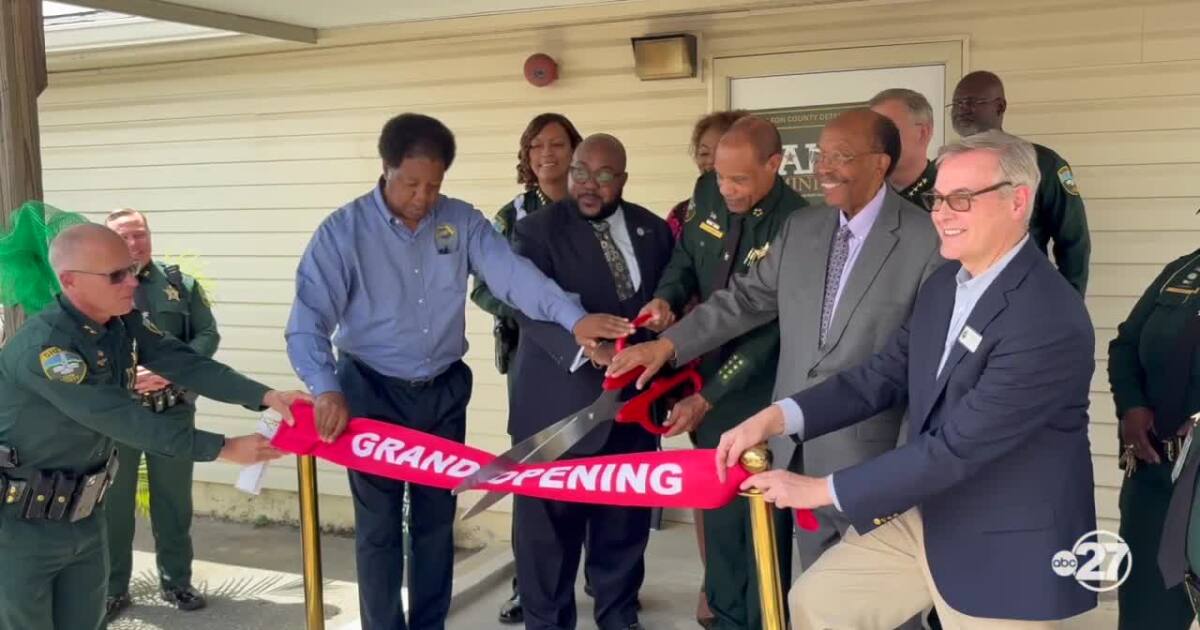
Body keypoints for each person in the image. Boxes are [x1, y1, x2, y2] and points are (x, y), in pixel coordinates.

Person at [715, 130, 1097, 629]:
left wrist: (819, 489)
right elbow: (880, 376)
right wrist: (775, 417)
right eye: (938, 197)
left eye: (961, 199)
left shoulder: (1047, 315)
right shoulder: (946, 284)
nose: (941, 212)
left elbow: (957, 448)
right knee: (820, 604)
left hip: (1008, 540)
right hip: (930, 514)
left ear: (1018, 201)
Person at [284, 113, 632, 630]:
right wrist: (325, 387)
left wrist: (574, 318)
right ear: (386, 169)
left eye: (434, 185)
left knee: (434, 523)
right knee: (379, 528)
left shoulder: (461, 222)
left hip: (442, 393)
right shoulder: (343, 232)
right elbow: (307, 321)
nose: (423, 197)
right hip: (371, 392)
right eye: (411, 184)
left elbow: (517, 280)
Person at [610, 109, 942, 627]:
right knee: (819, 599)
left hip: (874, 458)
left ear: (880, 163)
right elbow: (741, 301)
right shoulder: (803, 228)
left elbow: (925, 363)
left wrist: (909, 455)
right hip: (797, 452)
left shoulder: (926, 239)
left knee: (887, 611)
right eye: (822, 156)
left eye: (841, 157)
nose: (824, 169)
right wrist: (668, 346)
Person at [0, 223, 307, 630]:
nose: (132, 280)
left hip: (84, 519)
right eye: (117, 275)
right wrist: (223, 447)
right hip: (21, 528)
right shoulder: (51, 349)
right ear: (71, 280)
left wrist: (266, 396)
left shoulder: (121, 322)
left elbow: (185, 361)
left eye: (131, 269)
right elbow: (121, 418)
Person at [613, 116, 808, 629]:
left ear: (774, 165)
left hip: (756, 387)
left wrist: (713, 394)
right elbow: (685, 258)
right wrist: (666, 298)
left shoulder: (798, 221)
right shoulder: (707, 191)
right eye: (721, 177)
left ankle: (764, 618)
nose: (727, 189)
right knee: (719, 514)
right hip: (697, 370)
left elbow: (775, 327)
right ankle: (725, 616)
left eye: (739, 180)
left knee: (759, 520)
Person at [506, 133, 673, 630]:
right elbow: (526, 309)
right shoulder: (536, 232)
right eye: (581, 172)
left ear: (622, 179)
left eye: (603, 176)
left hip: (633, 410)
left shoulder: (651, 229)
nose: (588, 185)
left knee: (623, 530)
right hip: (555, 410)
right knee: (547, 541)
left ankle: (619, 618)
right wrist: (586, 348)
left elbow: (670, 288)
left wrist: (667, 309)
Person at [470, 113, 583, 626]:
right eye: (535, 145)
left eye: (557, 144)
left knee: (593, 467)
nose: (546, 154)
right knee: (535, 473)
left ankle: (605, 586)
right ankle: (529, 588)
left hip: (591, 357)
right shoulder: (510, 215)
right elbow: (483, 285)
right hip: (531, 359)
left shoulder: (593, 207)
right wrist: (532, 312)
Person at [101, 208, 220, 620]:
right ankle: (113, 588)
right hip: (120, 417)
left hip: (171, 414)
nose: (135, 244)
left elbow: (208, 333)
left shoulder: (180, 285)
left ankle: (177, 583)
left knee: (173, 503)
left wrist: (173, 368)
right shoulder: (99, 287)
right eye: (124, 237)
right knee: (113, 505)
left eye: (140, 234)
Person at [1110, 246, 1200, 629]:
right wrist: (1131, 406)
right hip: (1155, 474)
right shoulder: (1182, 272)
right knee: (1146, 617)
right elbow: (1126, 345)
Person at [950, 70, 1090, 295]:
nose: (962, 109)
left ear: (1000, 106)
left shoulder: (1042, 163)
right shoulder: (944, 166)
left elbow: (1073, 240)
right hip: (955, 292)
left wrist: (1069, 301)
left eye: (972, 101)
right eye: (957, 103)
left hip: (1022, 292)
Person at [667, 111, 748, 240]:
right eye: (704, 153)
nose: (710, 161)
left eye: (720, 152)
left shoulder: (763, 211)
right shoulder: (682, 213)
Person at [869, 88, 937, 210]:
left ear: (923, 133)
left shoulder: (949, 193)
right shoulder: (863, 198)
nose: (876, 140)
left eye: (888, 130)